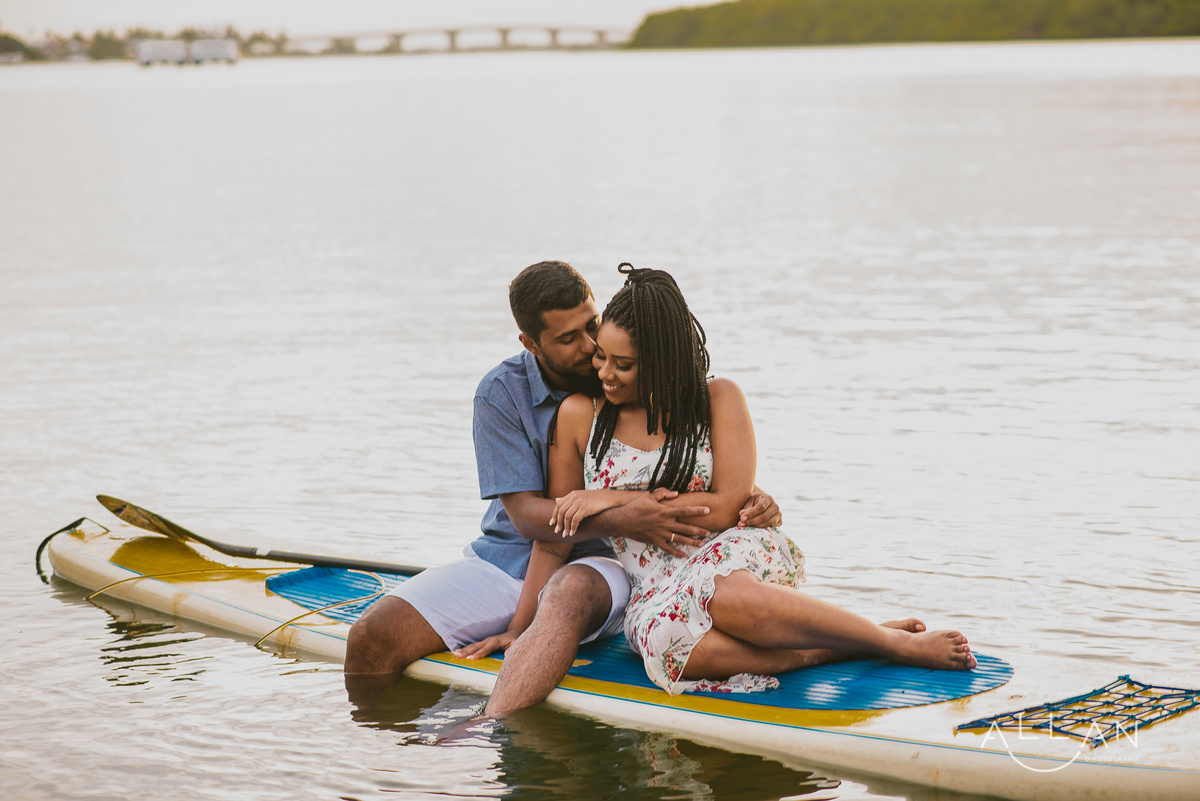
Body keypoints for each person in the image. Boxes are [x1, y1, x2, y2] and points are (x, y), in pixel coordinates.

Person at [344, 260, 783, 712]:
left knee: (568, 590)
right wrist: (625, 516)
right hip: (511, 559)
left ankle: (494, 723)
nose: (591, 347)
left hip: (611, 566)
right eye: (569, 339)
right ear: (531, 344)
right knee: (371, 637)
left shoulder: (623, 367)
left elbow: (684, 457)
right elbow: (529, 519)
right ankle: (380, 742)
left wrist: (751, 495)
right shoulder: (501, 394)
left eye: (591, 325)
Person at [524, 263, 975, 696]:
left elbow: (726, 507)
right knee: (671, 650)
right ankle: (844, 645)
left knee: (724, 592)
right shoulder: (580, 415)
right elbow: (558, 532)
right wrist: (522, 625)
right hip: (655, 586)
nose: (604, 373)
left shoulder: (718, 398)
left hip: (729, 552)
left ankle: (894, 645)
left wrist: (609, 497)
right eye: (601, 356)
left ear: (661, 361)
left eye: (623, 364)